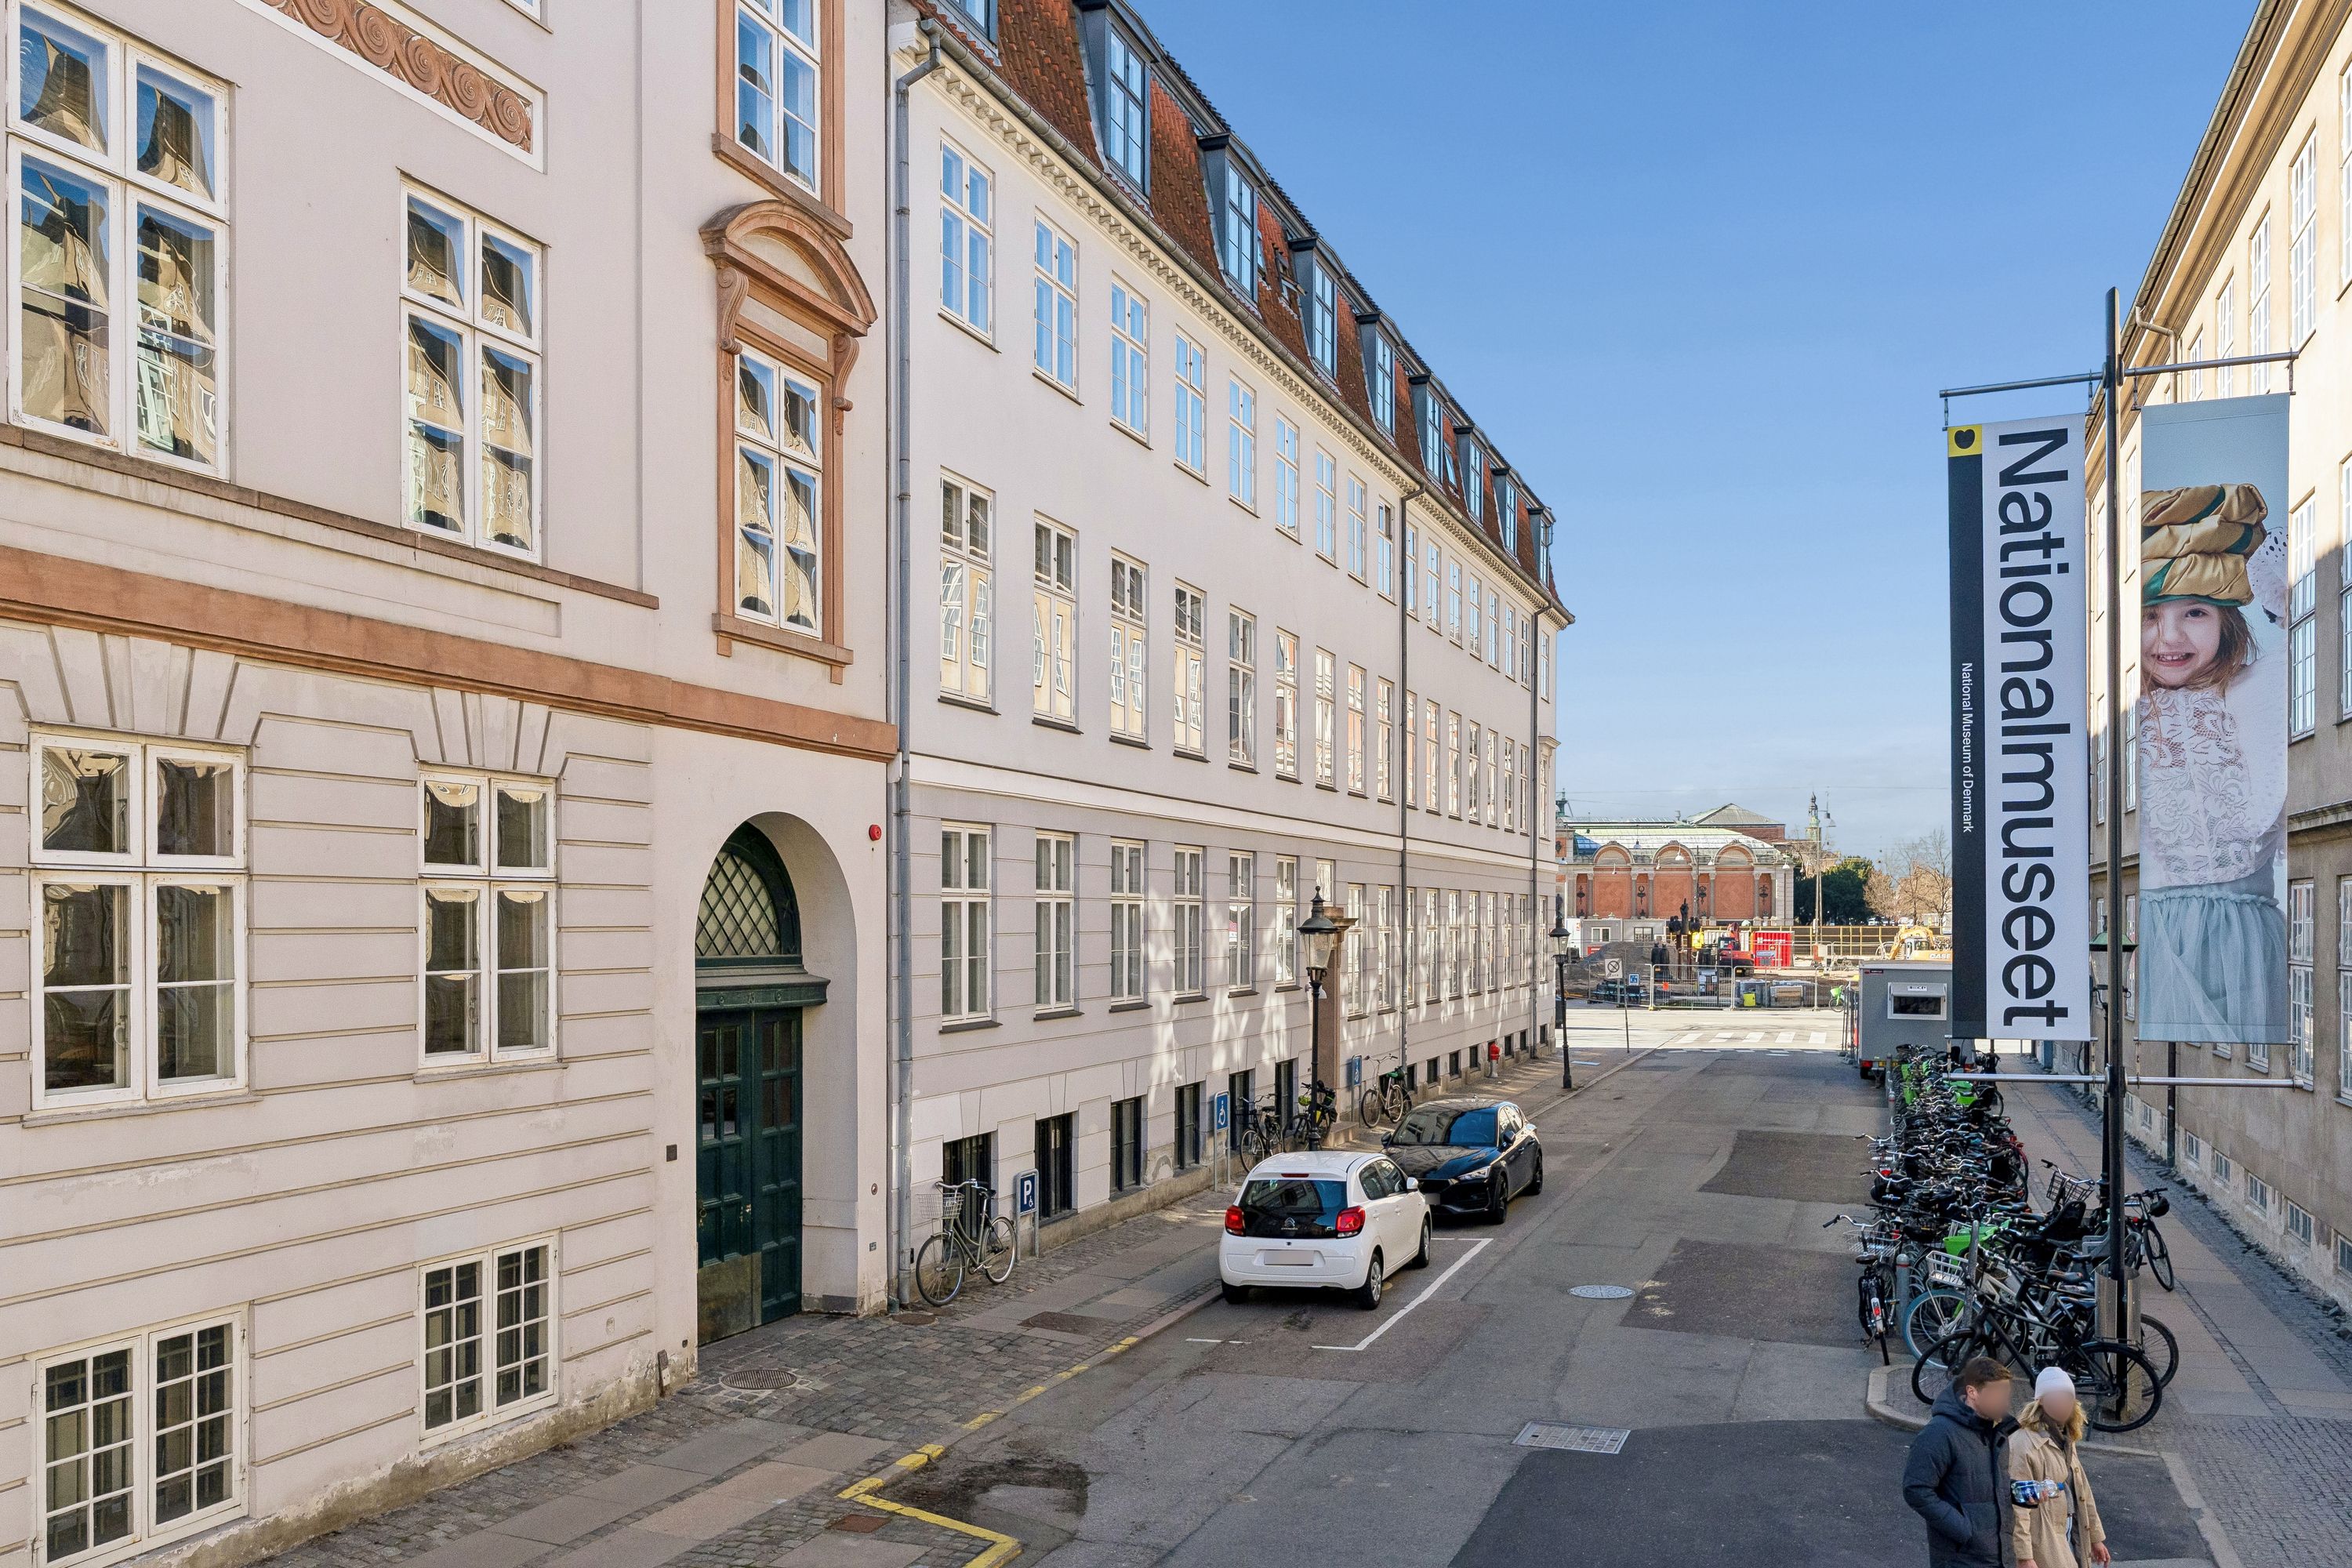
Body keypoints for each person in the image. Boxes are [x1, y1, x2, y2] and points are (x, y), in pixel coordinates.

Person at [2136, 482, 2288, 1043]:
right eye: (2149, 616)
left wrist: (2271, 573)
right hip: (2151, 939)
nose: (2170, 637)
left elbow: (2322, 616)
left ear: (2228, 619)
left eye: (2196, 612)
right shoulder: (2121, 713)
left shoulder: (2258, 691)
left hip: (2243, 944)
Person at [1904, 1357, 2019, 1566]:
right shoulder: (1939, 1433)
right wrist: (1964, 1530)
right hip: (1961, 1559)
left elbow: (1984, 1483)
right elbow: (1916, 1489)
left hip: (1999, 1557)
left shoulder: (1996, 1432)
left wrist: (2018, 1492)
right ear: (1972, 1392)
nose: (2005, 1403)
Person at [2010, 1367, 2108, 1568]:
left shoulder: (2066, 1437)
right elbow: (2017, 1506)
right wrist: (2024, 1556)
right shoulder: (2024, 1444)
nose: (2062, 1404)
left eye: (2066, 1397)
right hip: (2044, 1535)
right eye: (2054, 1397)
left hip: (2069, 1528)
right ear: (2041, 1401)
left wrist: (2095, 1537)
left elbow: (2082, 1489)